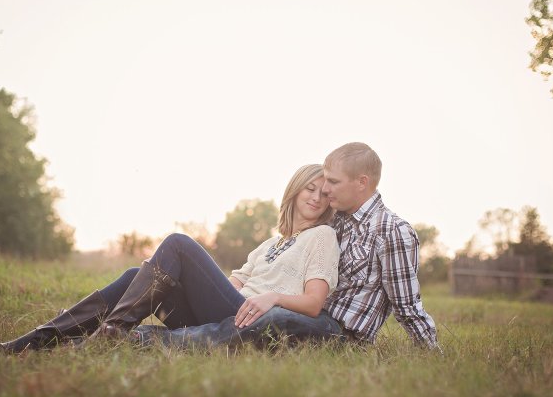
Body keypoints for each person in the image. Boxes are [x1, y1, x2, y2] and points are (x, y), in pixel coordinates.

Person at [0, 164, 340, 353]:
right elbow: (231, 285)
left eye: (324, 194)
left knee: (178, 243)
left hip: (248, 320)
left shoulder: (322, 237)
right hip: (228, 308)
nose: (316, 198)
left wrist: (273, 297)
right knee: (133, 274)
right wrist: (196, 286)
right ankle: (38, 338)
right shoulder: (268, 244)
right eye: (310, 188)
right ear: (294, 190)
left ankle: (111, 330)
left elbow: (313, 304)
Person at [133, 142, 439, 350]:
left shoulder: (393, 231)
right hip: (310, 316)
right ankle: (115, 328)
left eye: (332, 182)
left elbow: (408, 307)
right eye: (319, 185)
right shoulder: (337, 221)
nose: (324, 191)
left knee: (272, 318)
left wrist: (432, 354)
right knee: (263, 317)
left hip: (341, 334)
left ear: (361, 182)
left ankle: (147, 339)